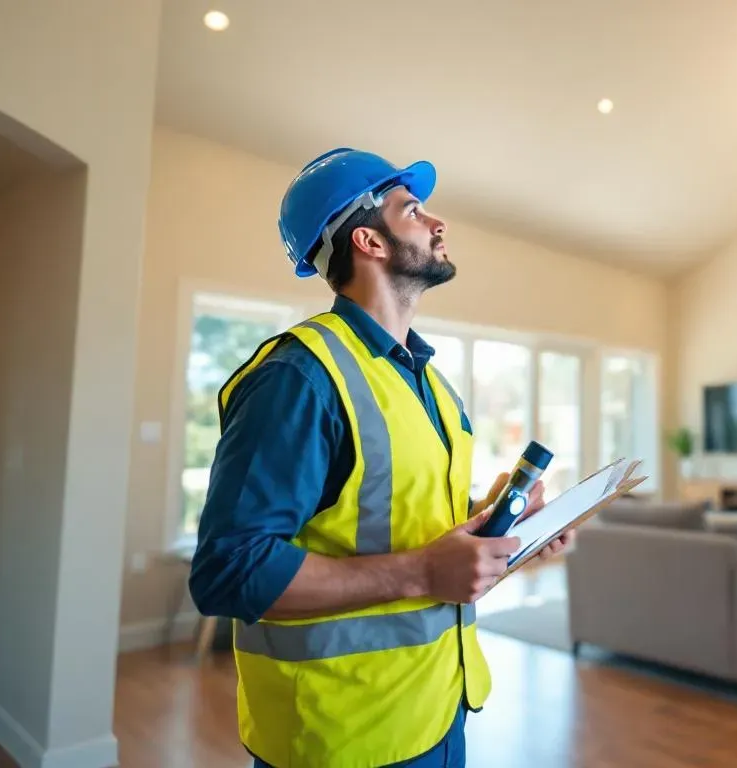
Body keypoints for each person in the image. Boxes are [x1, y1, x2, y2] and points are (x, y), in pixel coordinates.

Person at [188, 148, 574, 768]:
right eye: (414, 210)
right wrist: (422, 573)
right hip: (339, 738)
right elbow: (227, 572)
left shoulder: (430, 386)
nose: (438, 223)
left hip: (439, 709)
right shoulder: (299, 376)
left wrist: (501, 523)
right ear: (368, 239)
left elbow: (409, 526)